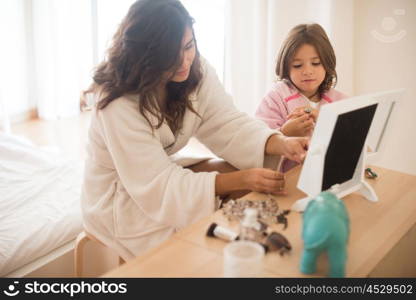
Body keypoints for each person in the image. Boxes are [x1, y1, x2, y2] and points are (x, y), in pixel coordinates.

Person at [81, 0, 308, 261]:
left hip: (155, 174)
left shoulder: (194, 69)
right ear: (144, 54)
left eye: (189, 46)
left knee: (243, 184)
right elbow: (157, 186)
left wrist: (281, 142)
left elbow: (226, 121)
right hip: (119, 199)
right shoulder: (117, 102)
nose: (184, 60)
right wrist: (243, 179)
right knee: (197, 243)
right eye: (170, 54)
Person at [256, 23, 347, 172]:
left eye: (316, 63)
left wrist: (324, 121)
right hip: (286, 181)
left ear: (327, 64)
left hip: (329, 177)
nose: (307, 71)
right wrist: (284, 133)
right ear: (285, 67)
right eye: (298, 65)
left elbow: (355, 145)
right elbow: (258, 144)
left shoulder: (340, 101)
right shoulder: (276, 97)